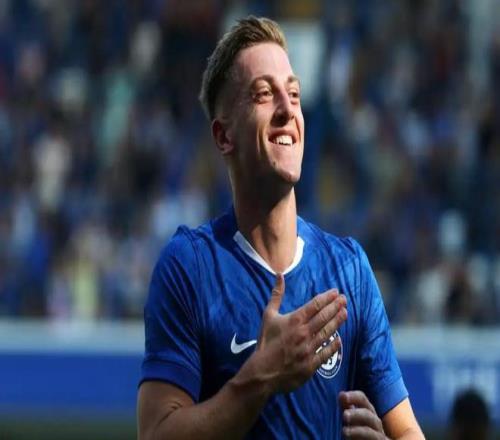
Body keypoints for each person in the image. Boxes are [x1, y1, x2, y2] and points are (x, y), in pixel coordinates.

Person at [137, 16, 424, 439]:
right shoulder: (189, 267)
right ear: (224, 136)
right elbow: (155, 434)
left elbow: (408, 431)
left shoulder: (349, 270)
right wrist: (262, 375)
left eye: (293, 94)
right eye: (264, 94)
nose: (288, 110)